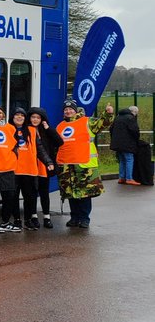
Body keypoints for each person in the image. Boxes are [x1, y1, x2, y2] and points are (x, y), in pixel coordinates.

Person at [56, 98, 114, 229]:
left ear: (75, 110)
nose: (68, 111)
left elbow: (102, 123)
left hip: (83, 165)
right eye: (66, 109)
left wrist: (108, 114)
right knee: (71, 193)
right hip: (66, 166)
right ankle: (74, 217)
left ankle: (84, 218)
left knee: (84, 194)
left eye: (70, 109)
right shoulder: (60, 126)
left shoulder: (87, 121)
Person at [27, 107, 60, 227]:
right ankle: (33, 216)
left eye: (38, 118)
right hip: (30, 166)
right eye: (33, 117)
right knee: (32, 192)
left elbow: (59, 142)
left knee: (44, 192)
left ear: (42, 119)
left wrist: (48, 128)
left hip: (44, 166)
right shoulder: (26, 130)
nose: (35, 120)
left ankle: (47, 216)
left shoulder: (45, 131)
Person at [11, 105, 41, 229]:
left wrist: (49, 162)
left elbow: (40, 148)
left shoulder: (32, 131)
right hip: (13, 169)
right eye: (17, 114)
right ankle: (17, 220)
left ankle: (28, 219)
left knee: (29, 197)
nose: (19, 117)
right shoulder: (8, 129)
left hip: (29, 170)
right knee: (14, 197)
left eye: (22, 115)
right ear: (12, 117)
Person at [110, 105, 141, 184]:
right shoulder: (130, 118)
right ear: (134, 112)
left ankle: (121, 178)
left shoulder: (117, 117)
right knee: (129, 159)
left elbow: (111, 129)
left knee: (122, 160)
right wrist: (136, 139)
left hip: (117, 143)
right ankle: (129, 178)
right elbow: (135, 131)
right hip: (128, 143)